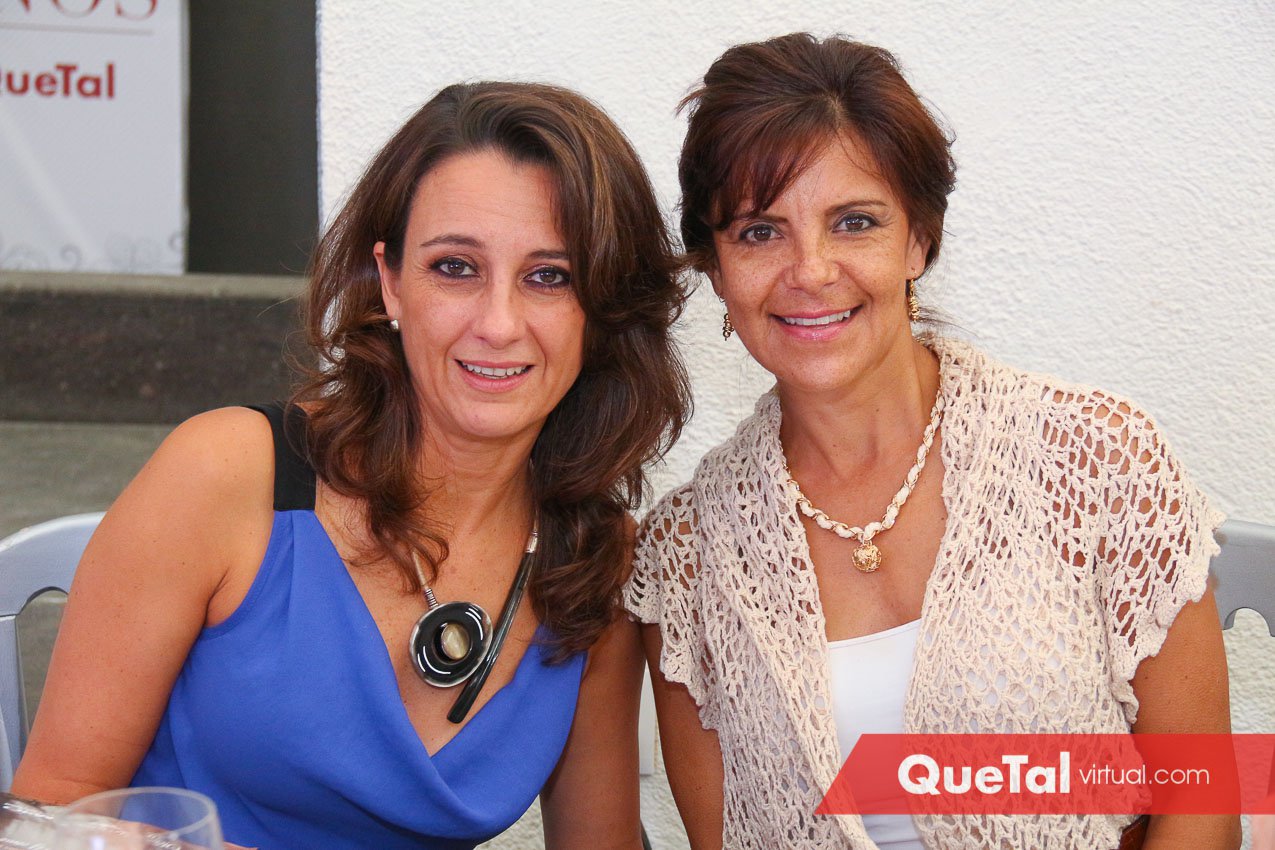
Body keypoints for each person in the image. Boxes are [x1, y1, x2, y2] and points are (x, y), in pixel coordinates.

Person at [14, 80, 690, 850]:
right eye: (455, 267)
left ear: (603, 308)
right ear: (390, 281)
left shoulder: (595, 555)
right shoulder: (226, 473)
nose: (499, 323)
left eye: (549, 276)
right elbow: (49, 815)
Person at [625, 33, 1237, 850]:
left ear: (918, 239)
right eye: (759, 233)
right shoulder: (685, 555)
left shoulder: (1097, 459)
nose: (811, 271)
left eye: (854, 222)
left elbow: (1200, 807)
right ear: (715, 269)